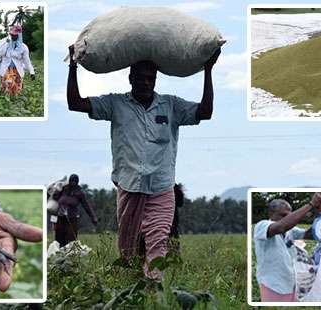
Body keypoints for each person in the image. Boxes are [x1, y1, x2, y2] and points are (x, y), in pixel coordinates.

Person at [66, 44, 220, 280]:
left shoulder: (171, 106)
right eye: (141, 78)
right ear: (130, 78)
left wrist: (208, 70)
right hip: (129, 188)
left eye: (151, 78)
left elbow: (205, 112)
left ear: (156, 80)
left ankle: (154, 290)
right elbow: (75, 103)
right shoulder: (115, 104)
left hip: (161, 188)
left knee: (158, 244)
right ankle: (135, 285)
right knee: (128, 250)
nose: (146, 83)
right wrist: (73, 67)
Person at [253, 193, 321, 302]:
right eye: (283, 215)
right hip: (273, 286)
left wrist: (320, 215)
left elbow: (310, 234)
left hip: (291, 283)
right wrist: (311, 204)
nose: (287, 218)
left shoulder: (290, 230)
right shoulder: (262, 226)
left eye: (289, 215)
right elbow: (281, 227)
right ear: (272, 214)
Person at [52, 174, 98, 247]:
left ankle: (70, 255)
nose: (73, 182)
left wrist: (93, 217)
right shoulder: (64, 189)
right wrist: (57, 190)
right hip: (61, 217)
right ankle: (59, 254)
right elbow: (55, 197)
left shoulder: (79, 192)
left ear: (77, 182)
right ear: (69, 181)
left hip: (72, 218)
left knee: (71, 239)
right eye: (72, 181)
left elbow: (86, 205)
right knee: (59, 238)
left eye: (75, 181)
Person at [0, 25, 35, 96]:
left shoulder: (23, 47)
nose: (13, 37)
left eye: (15, 35)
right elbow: (1, 53)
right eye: (12, 35)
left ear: (19, 36)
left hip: (17, 71)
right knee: (8, 85)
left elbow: (27, 61)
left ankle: (13, 103)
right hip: (6, 69)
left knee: (16, 91)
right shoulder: (6, 44)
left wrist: (32, 72)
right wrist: (6, 44)